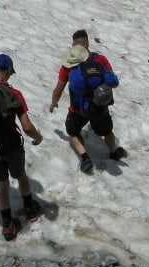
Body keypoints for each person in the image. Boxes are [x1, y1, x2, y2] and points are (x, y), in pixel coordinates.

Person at [49, 29, 125, 173]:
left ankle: (84, 158)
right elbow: (111, 79)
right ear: (87, 43)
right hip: (99, 107)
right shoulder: (100, 60)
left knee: (73, 132)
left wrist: (53, 103)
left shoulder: (68, 65)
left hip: (77, 109)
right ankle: (114, 152)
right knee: (107, 131)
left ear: (74, 45)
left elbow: (58, 90)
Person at [0, 54, 44, 241]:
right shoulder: (14, 94)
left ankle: (7, 225)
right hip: (10, 145)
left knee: (2, 184)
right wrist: (38, 137)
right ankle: (30, 209)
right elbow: (26, 127)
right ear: (9, 70)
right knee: (20, 176)